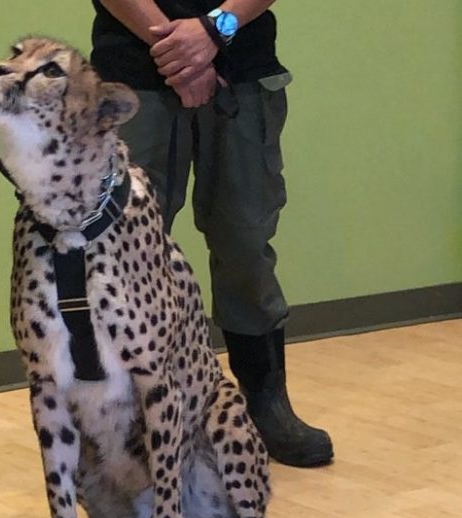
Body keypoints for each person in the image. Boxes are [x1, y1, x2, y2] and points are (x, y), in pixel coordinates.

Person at [91, 0, 334, 467]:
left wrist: (215, 29)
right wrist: (181, 56)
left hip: (243, 71)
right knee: (124, 259)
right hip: (134, 79)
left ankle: (265, 403)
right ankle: (126, 426)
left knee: (246, 241)